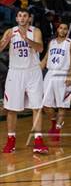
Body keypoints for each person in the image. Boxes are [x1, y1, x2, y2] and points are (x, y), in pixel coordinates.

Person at [0, 9, 48, 154]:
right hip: (15, 73)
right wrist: (4, 42)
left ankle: (38, 141)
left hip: (33, 72)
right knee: (12, 109)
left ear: (29, 18)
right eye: (20, 15)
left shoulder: (36, 31)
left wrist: (26, 39)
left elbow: (40, 48)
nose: (22, 18)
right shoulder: (10, 31)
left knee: (37, 107)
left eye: (25, 15)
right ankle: (11, 141)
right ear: (16, 18)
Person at [41, 23, 71, 141]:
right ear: (57, 29)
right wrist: (36, 71)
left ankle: (57, 129)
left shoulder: (70, 43)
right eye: (61, 28)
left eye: (65, 28)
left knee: (62, 105)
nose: (62, 30)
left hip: (63, 74)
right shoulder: (51, 42)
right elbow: (46, 58)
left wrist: (70, 75)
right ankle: (53, 122)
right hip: (50, 73)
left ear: (67, 31)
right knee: (46, 105)